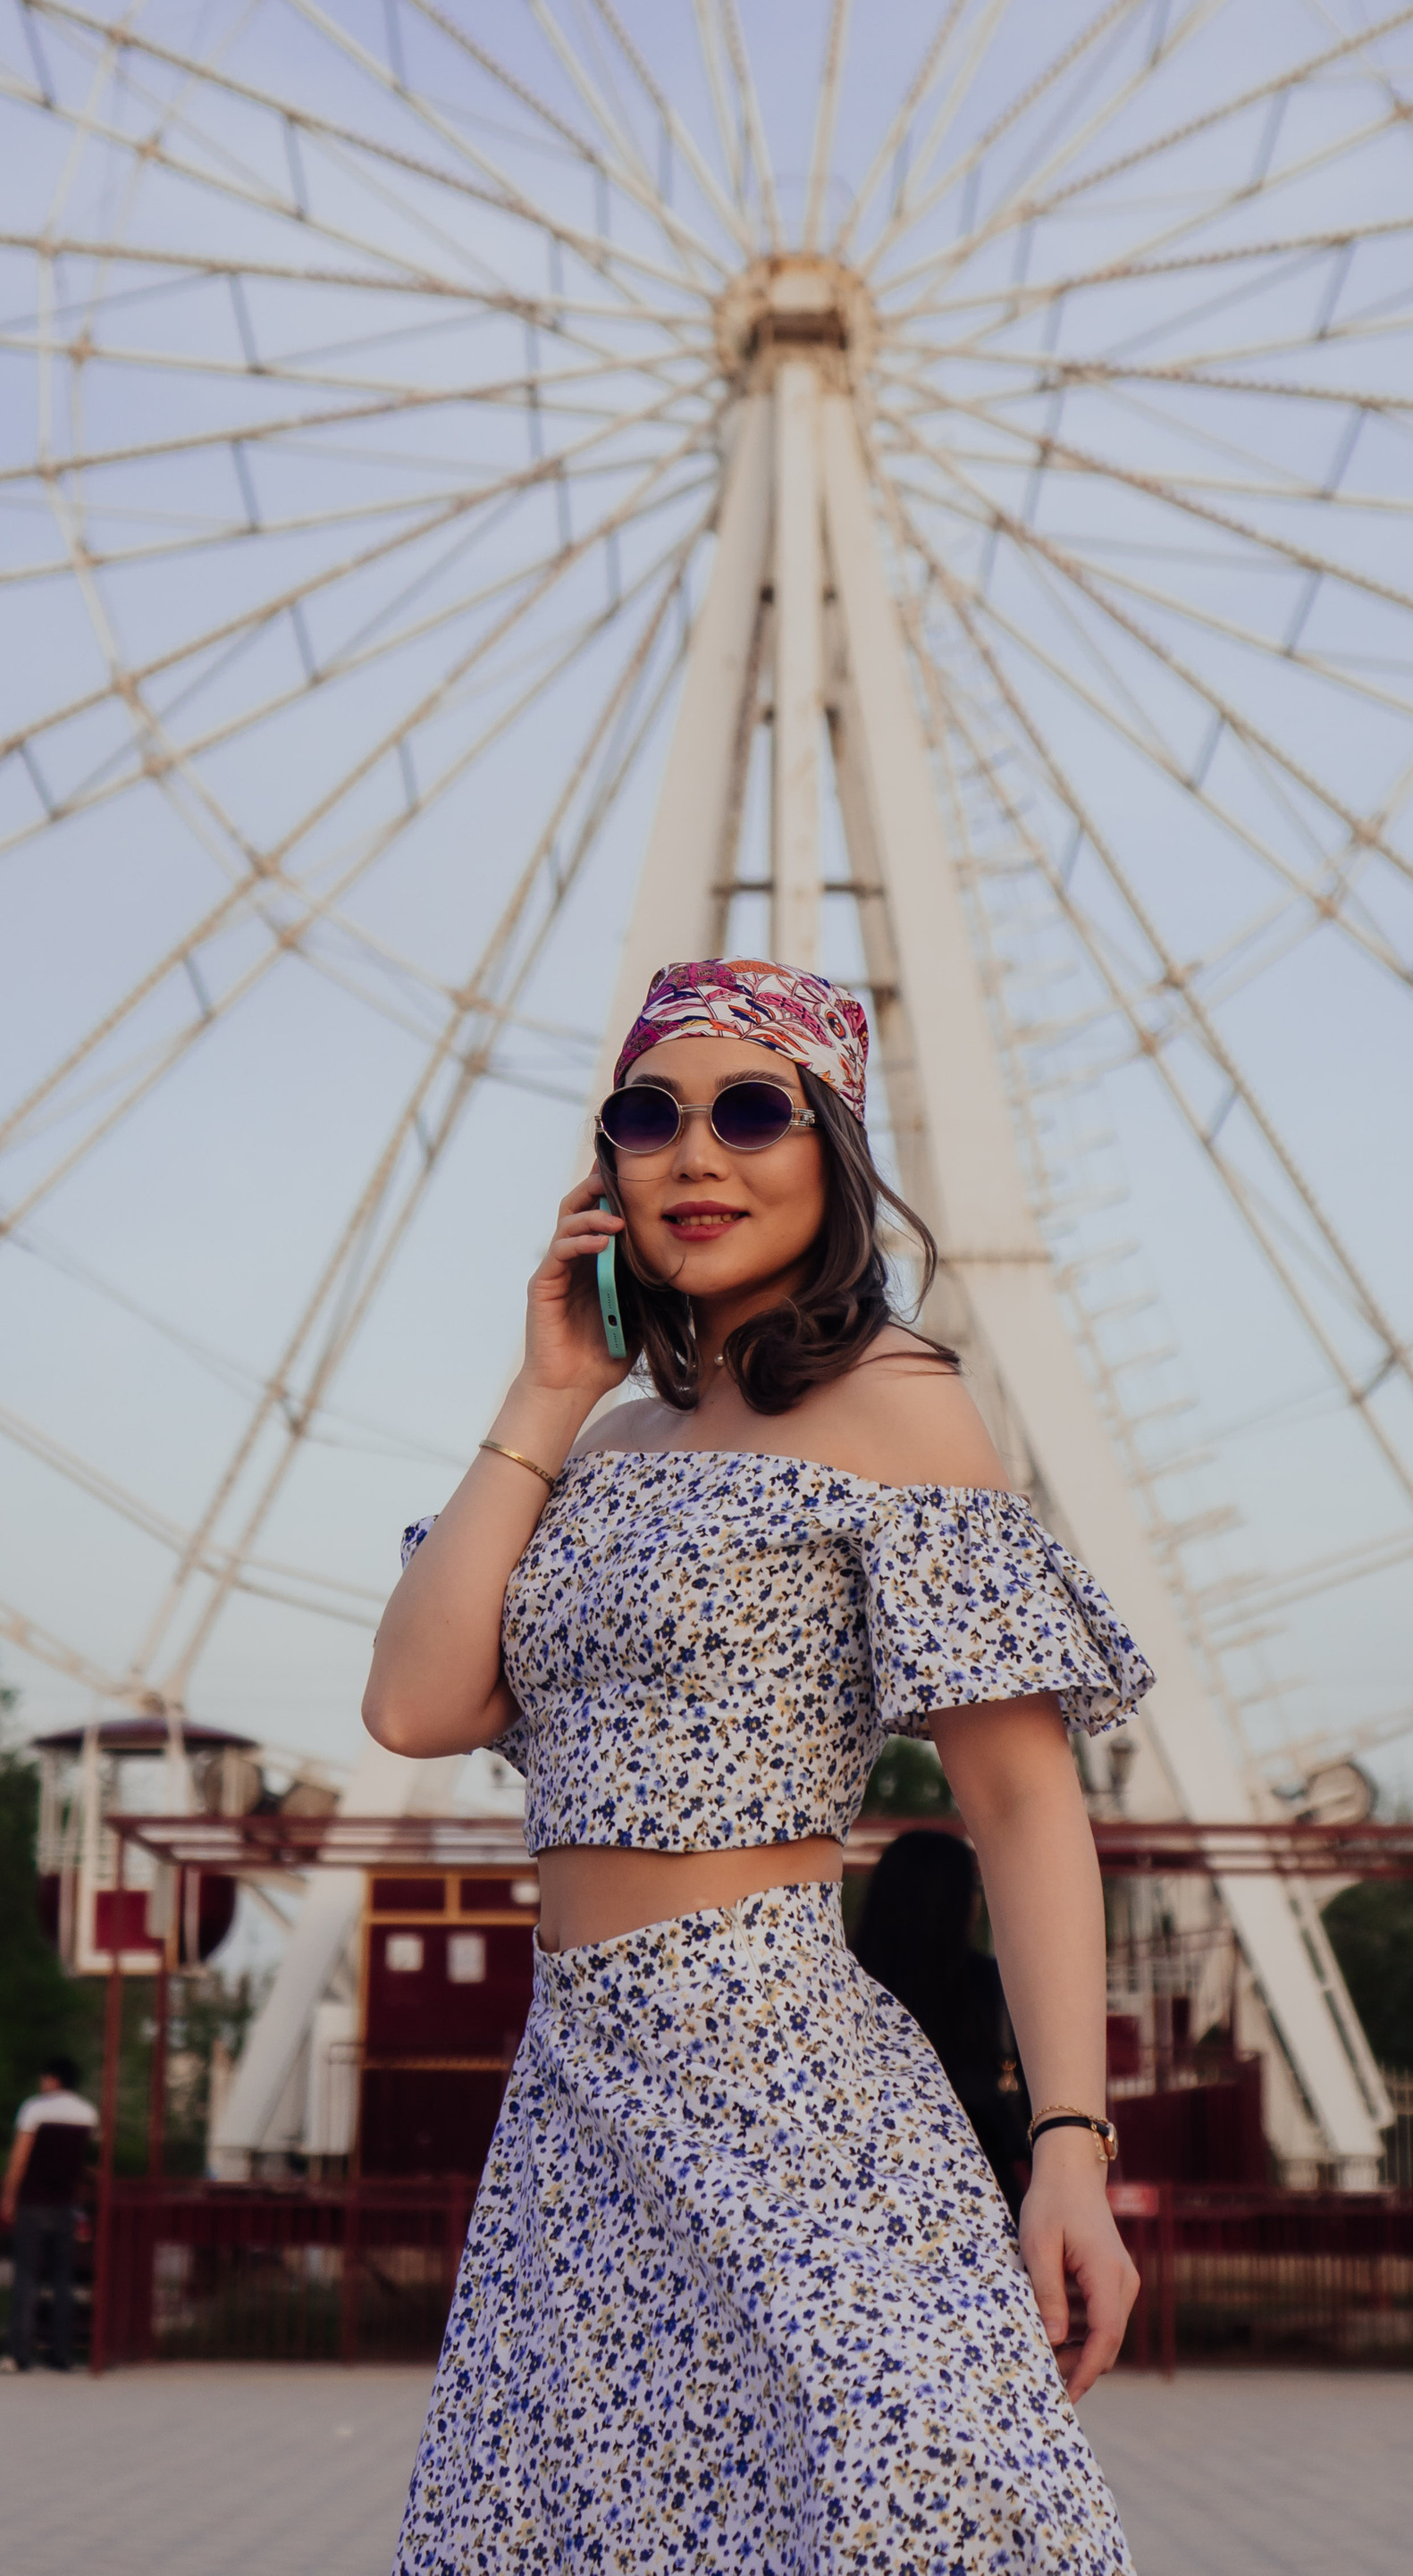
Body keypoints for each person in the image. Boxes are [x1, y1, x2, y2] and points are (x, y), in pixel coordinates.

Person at [367, 955, 1150, 2573]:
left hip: (776, 2060)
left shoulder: (899, 1403)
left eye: (750, 1111)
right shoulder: (602, 1441)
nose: (696, 1155)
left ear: (833, 1152)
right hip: (578, 2084)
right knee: (591, 2528)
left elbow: (1017, 1798)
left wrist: (1071, 2142)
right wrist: (544, 1388)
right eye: (650, 1116)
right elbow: (417, 1705)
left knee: (900, 2497)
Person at [855, 1825, 1035, 2218]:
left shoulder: (850, 1985)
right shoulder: (991, 1986)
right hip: (982, 2197)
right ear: (955, 1901)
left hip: (866, 2195)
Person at [0, 2052, 97, 2376]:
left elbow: (20, 2157)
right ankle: (61, 2354)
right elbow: (84, 2160)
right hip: (65, 2204)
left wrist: (8, 2195)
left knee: (26, 2278)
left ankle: (18, 2354)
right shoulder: (88, 2113)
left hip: (33, 2202)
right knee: (62, 2280)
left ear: (53, 2079)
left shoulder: (34, 2109)